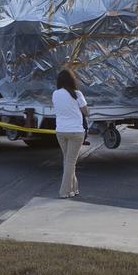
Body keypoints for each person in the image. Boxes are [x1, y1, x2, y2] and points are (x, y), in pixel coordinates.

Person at [52, 70, 89, 198]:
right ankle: (64, 191)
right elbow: (86, 112)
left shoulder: (55, 94)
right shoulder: (77, 94)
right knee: (70, 162)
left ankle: (74, 188)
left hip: (60, 131)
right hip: (76, 131)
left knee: (67, 160)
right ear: (71, 80)